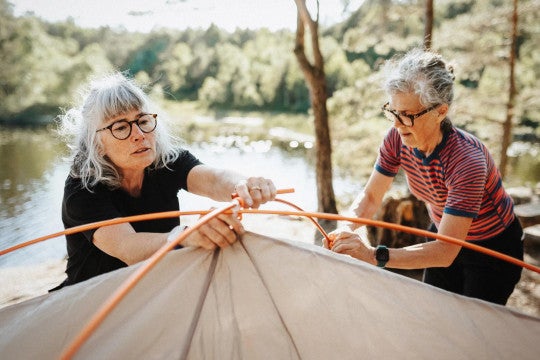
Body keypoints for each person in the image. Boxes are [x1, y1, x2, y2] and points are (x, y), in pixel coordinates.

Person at [325, 48, 523, 305]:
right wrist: (345, 228)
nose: (396, 123)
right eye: (392, 111)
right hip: (443, 232)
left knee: (474, 332)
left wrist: (373, 255)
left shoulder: (467, 161)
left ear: (441, 111)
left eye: (407, 115)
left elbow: (445, 252)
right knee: (435, 314)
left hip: (491, 247)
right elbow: (371, 196)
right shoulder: (397, 137)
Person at [55, 72, 277, 288]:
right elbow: (129, 248)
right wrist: (186, 236)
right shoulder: (82, 189)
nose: (139, 134)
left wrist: (243, 185)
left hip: (157, 291)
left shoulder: (166, 162)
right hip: (92, 301)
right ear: (96, 143)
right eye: (121, 127)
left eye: (142, 120)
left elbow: (213, 180)